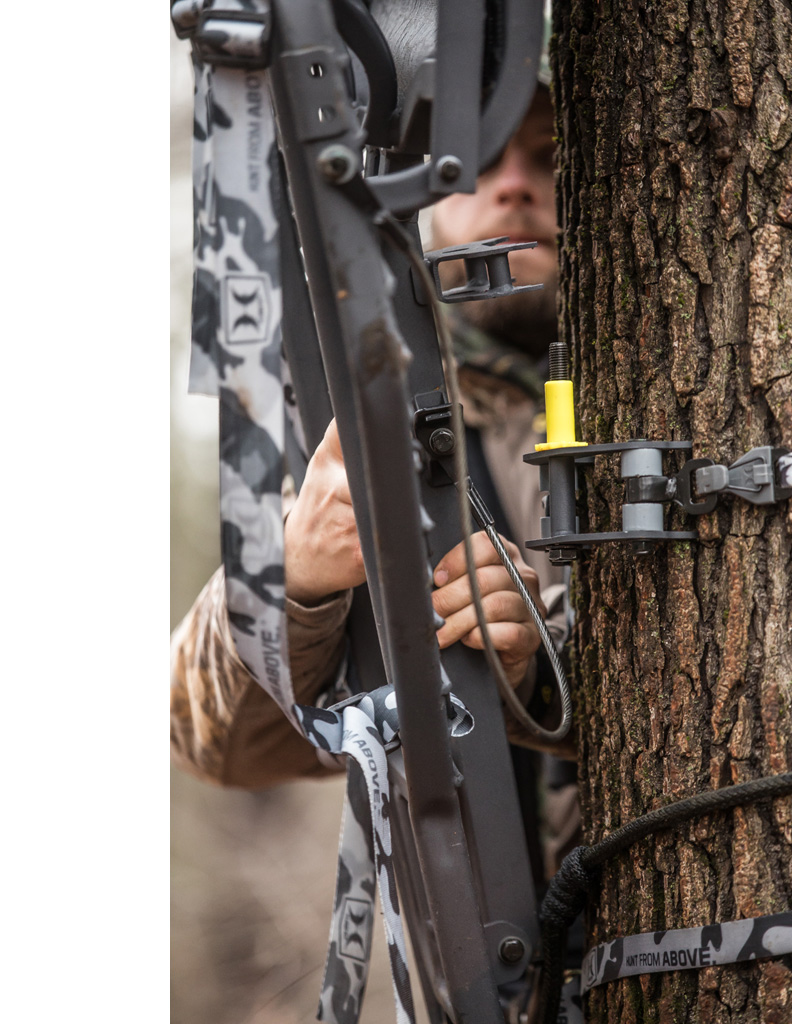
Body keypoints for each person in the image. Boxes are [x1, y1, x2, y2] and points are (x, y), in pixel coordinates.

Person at [171, 80, 581, 884]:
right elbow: (205, 738)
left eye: (551, 156)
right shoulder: (363, 427)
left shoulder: (670, 402)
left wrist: (537, 670)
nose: (513, 184)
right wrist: (294, 581)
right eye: (477, 156)